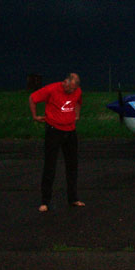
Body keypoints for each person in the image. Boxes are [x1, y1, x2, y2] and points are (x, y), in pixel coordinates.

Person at [29, 73, 84, 212]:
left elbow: (78, 101)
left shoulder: (77, 91)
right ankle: (45, 201)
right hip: (54, 132)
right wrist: (35, 116)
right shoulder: (51, 89)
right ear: (65, 82)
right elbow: (32, 98)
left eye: (73, 89)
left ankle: (73, 198)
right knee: (50, 166)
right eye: (69, 88)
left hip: (70, 132)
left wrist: (77, 115)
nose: (71, 91)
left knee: (72, 166)